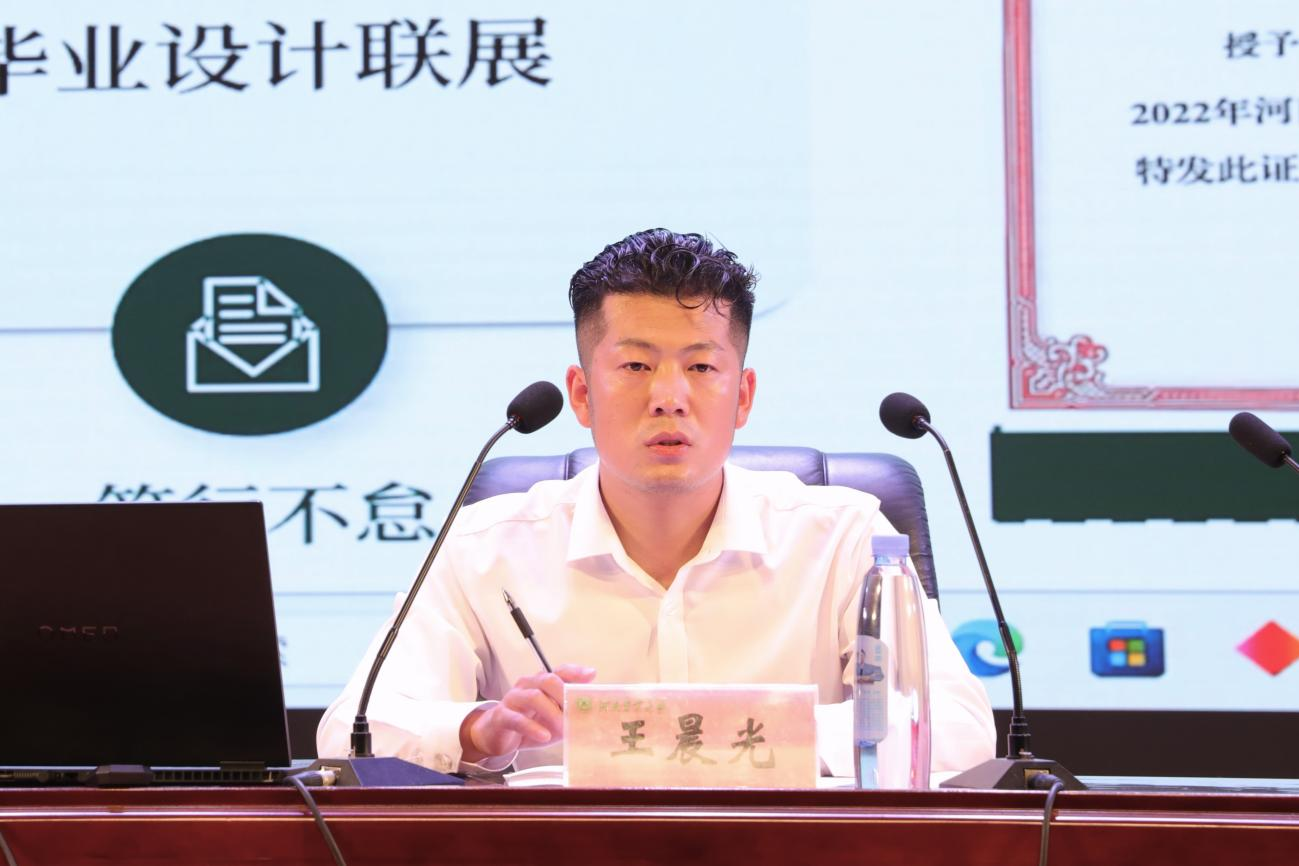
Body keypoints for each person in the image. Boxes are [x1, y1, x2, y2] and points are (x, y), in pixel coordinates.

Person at [317, 228, 995, 777]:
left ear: (743, 396)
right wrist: (478, 728)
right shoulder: (483, 547)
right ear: (581, 394)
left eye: (701, 367)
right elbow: (350, 732)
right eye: (636, 366)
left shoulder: (843, 536)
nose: (669, 396)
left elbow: (957, 729)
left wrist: (740, 735)